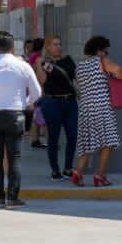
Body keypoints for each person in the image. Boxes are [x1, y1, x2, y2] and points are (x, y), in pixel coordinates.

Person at [0, 32, 43, 207]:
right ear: (13, 47)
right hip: (15, 115)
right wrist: (25, 102)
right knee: (14, 157)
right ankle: (12, 197)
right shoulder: (23, 66)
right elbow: (37, 92)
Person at [73, 35, 122, 187]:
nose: (106, 54)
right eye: (105, 51)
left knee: (87, 142)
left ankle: (78, 173)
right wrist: (113, 75)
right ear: (99, 51)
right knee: (108, 143)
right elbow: (119, 72)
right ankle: (100, 175)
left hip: (85, 108)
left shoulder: (80, 66)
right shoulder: (101, 61)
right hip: (102, 107)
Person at [37, 35, 79, 180]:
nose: (58, 47)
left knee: (72, 136)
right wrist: (38, 64)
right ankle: (55, 170)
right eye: (55, 44)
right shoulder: (44, 63)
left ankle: (68, 168)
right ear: (48, 47)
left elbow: (77, 78)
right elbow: (42, 81)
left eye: (60, 44)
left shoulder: (68, 60)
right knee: (53, 138)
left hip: (70, 102)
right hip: (52, 103)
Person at [26, 37, 45, 148]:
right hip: (39, 88)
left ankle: (35, 139)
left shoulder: (32, 55)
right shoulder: (38, 56)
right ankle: (35, 139)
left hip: (34, 88)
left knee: (37, 114)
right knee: (40, 114)